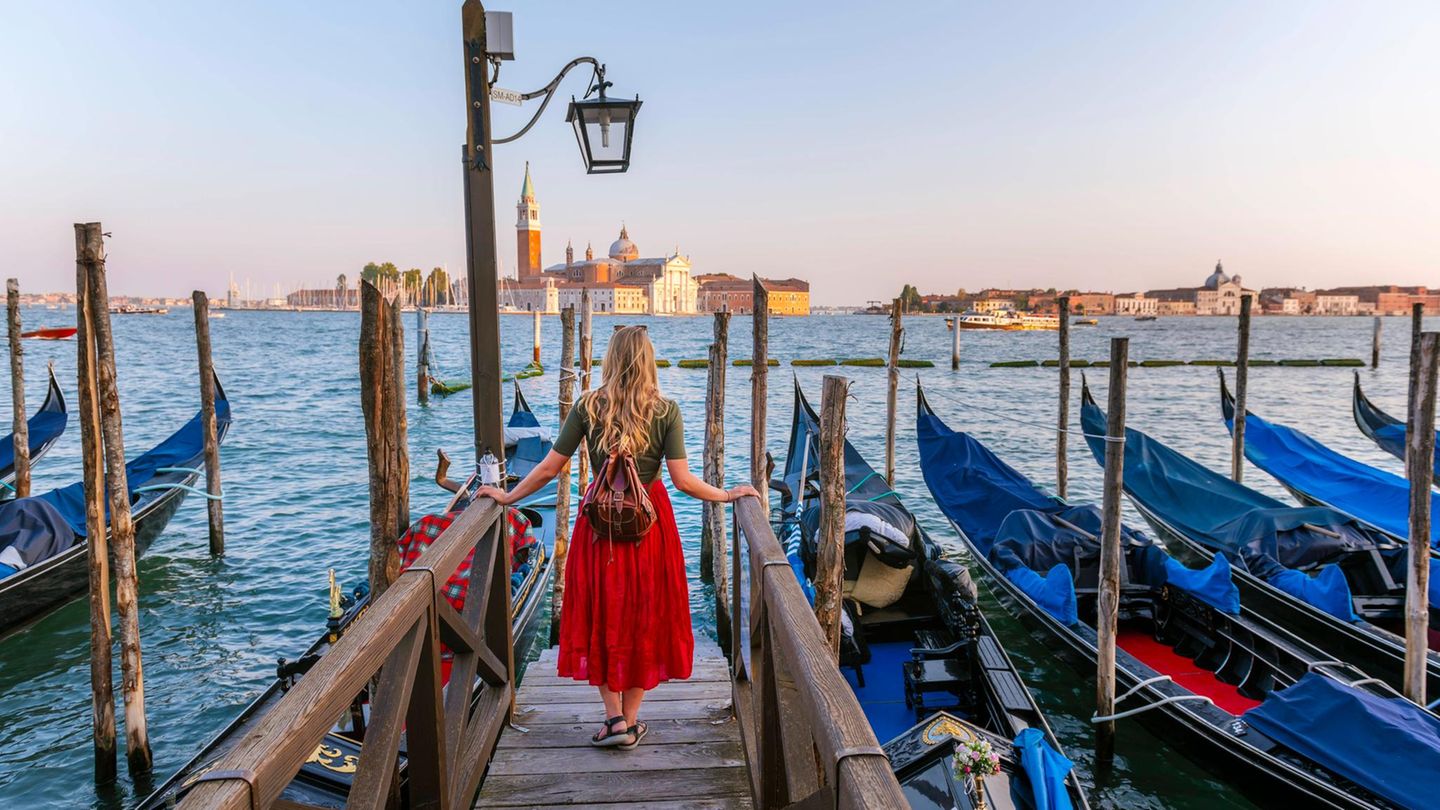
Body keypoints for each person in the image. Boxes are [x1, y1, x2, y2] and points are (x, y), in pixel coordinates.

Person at [476, 326, 757, 749]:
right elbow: (682, 482)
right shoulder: (666, 410)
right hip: (650, 526)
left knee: (600, 614)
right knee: (646, 617)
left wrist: (508, 495)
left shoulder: (589, 406)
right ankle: (629, 720)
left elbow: (551, 468)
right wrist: (728, 494)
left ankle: (613, 720)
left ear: (609, 358)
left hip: (598, 528)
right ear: (647, 359)